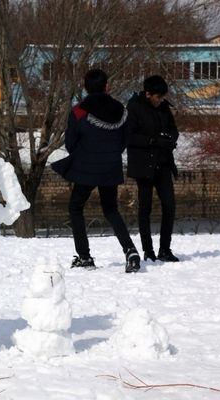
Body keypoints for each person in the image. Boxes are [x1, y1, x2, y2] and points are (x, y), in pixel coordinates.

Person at [64, 69, 141, 273]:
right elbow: (125, 140)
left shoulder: (79, 111)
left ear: (85, 87)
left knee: (75, 207)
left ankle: (85, 257)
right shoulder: (121, 110)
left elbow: (70, 143)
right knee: (110, 209)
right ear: (107, 86)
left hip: (86, 167)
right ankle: (130, 250)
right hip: (110, 166)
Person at [126, 75, 180, 263]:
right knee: (145, 208)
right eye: (157, 97)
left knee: (169, 206)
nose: (160, 100)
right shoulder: (134, 108)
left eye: (162, 97)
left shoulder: (164, 108)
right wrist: (152, 140)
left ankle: (165, 248)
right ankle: (148, 251)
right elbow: (129, 136)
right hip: (144, 165)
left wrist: (170, 138)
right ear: (148, 94)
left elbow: (174, 130)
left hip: (163, 162)